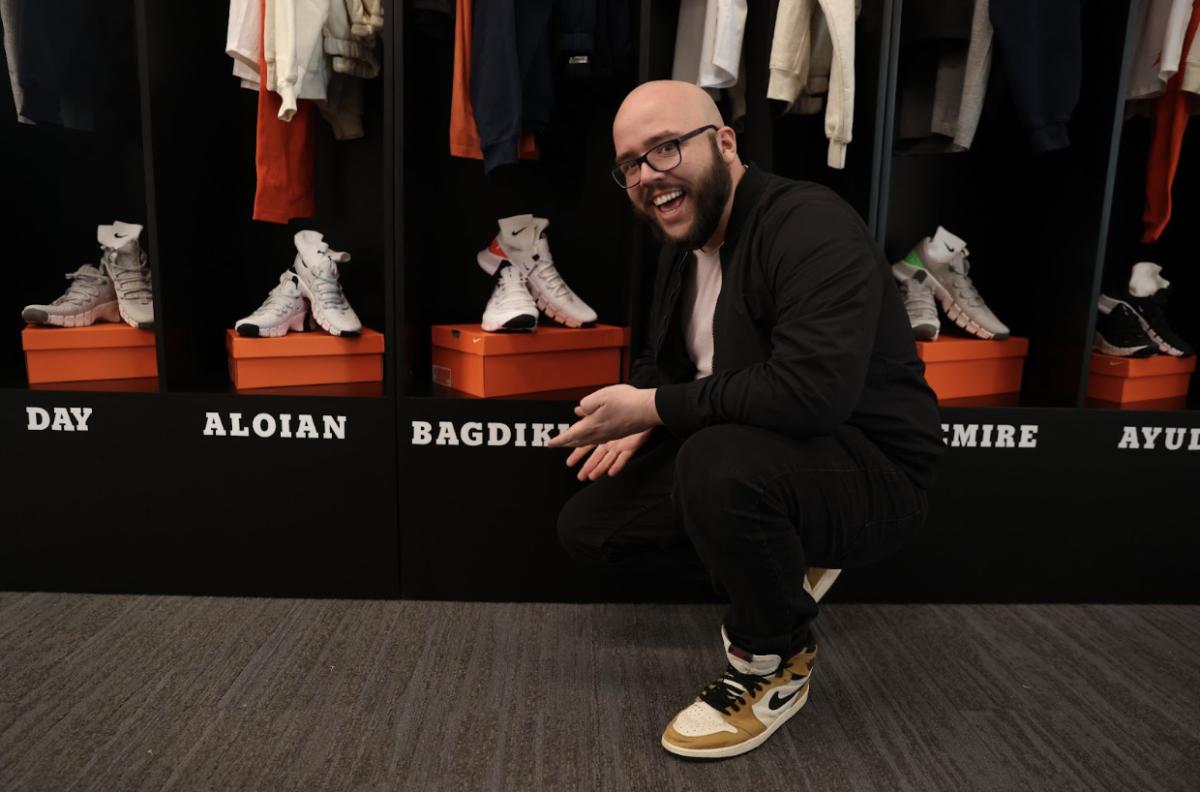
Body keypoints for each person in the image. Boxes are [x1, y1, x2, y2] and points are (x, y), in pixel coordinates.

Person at [548, 80, 943, 760]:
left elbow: (812, 393)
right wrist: (647, 409)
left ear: (724, 142)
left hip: (873, 468)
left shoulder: (810, 224)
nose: (648, 176)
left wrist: (655, 409)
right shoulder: (685, 242)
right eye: (631, 166)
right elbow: (664, 360)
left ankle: (774, 660)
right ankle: (784, 559)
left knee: (715, 465)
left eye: (665, 149)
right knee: (591, 530)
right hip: (759, 448)